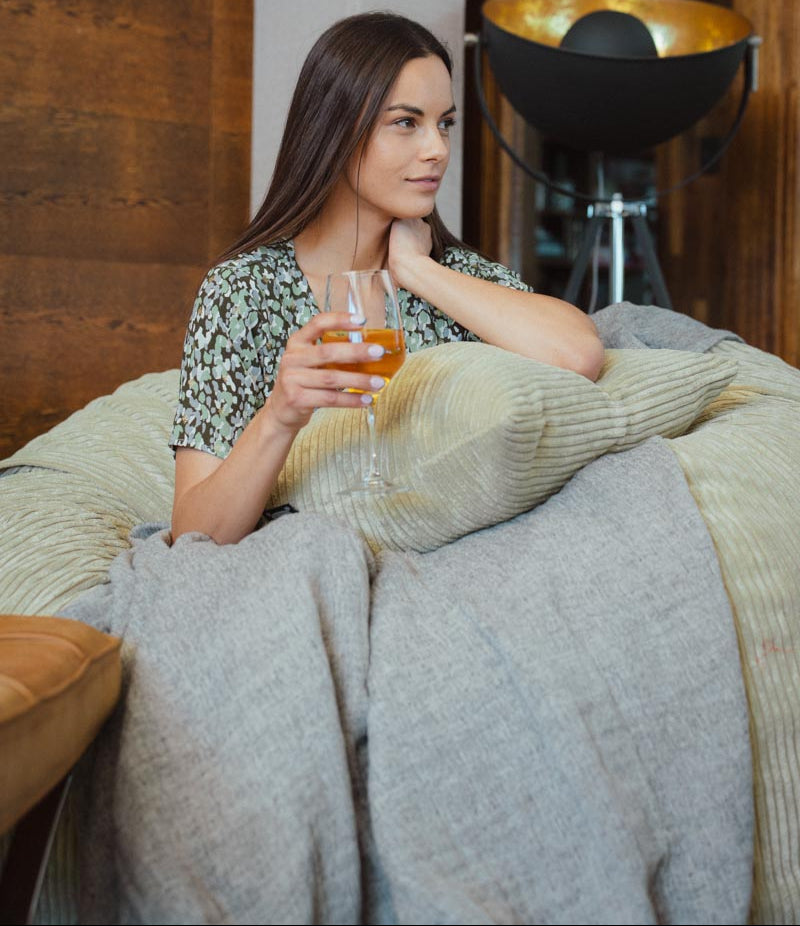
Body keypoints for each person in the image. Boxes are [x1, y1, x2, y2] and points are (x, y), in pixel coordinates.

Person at [169, 12, 605, 545]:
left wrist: (416, 271)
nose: (437, 149)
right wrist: (281, 416)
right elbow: (194, 534)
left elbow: (578, 355)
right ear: (336, 128)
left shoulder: (452, 277)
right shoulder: (241, 293)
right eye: (406, 122)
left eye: (444, 123)